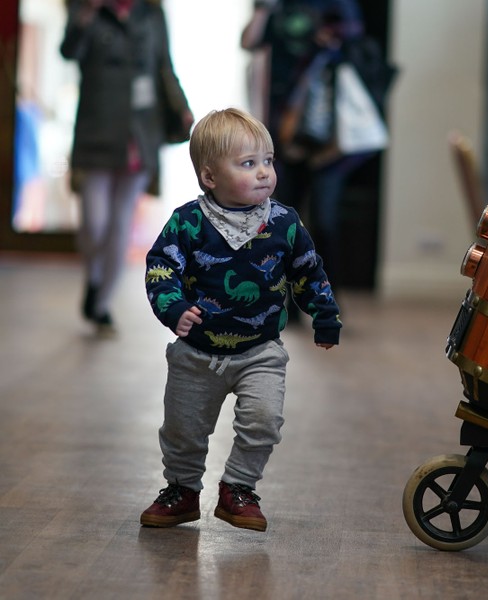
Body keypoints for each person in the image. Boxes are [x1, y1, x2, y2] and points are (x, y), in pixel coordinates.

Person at [139, 108, 341, 531]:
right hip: (197, 352)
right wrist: (173, 308)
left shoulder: (283, 222)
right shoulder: (188, 222)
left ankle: (239, 488)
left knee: (264, 421)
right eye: (248, 163)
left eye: (268, 160)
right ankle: (182, 490)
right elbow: (162, 267)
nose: (264, 172)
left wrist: (324, 314)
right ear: (210, 176)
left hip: (260, 350)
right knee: (182, 429)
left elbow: (308, 271)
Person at [60, 0, 192, 335]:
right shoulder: (86, 9)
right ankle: (93, 277)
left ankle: (102, 304)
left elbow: (165, 65)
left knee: (121, 221)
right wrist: (86, 15)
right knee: (94, 222)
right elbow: (69, 51)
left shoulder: (152, 12)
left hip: (142, 130)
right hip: (97, 129)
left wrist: (181, 107)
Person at [241, 0, 380, 288]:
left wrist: (330, 40)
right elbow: (249, 42)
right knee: (283, 220)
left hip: (327, 135)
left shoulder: (338, 4)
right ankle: (287, 298)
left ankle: (326, 295)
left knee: (324, 220)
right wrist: (263, 8)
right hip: (283, 130)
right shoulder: (276, 6)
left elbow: (356, 43)